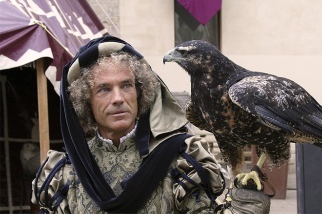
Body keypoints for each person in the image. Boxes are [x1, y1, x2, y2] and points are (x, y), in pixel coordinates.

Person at [31, 35, 225, 213]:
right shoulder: (67, 174)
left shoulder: (180, 160)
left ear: (139, 92)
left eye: (126, 86)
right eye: (104, 89)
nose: (118, 98)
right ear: (85, 101)